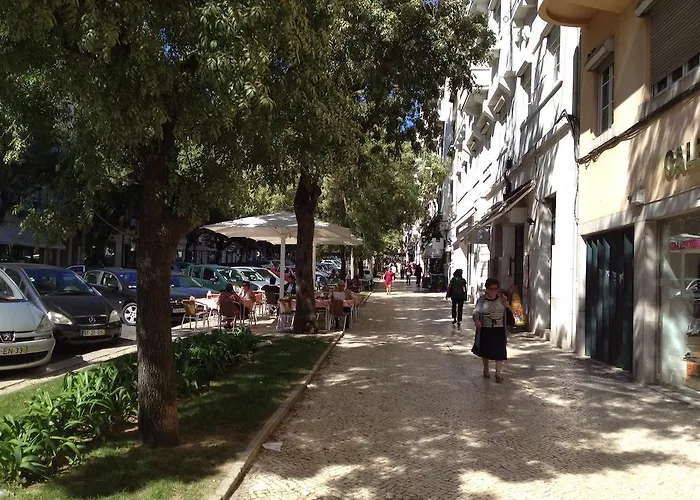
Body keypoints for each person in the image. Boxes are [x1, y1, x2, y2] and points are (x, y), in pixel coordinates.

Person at [472, 278, 512, 383]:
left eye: (495, 288)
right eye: (491, 288)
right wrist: (477, 320)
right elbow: (476, 312)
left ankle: (498, 373)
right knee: (485, 351)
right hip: (486, 329)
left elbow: (508, 310)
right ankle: (486, 369)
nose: (493, 291)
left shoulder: (502, 298)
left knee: (500, 352)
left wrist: (508, 306)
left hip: (499, 329)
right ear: (487, 288)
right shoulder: (482, 300)